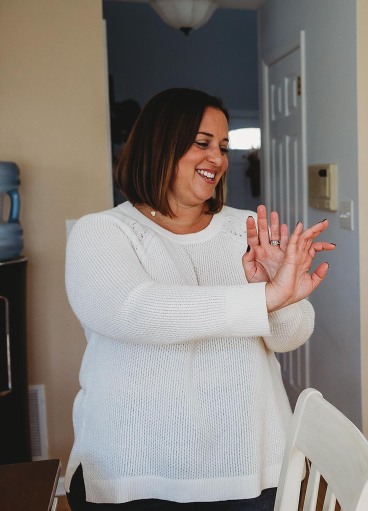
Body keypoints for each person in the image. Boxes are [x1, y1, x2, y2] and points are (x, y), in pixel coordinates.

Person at [64, 88, 335, 510]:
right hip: (136, 469)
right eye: (202, 143)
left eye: (224, 147)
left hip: (250, 463)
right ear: (160, 144)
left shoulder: (248, 227)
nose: (219, 159)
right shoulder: (101, 231)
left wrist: (280, 298)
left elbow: (291, 336)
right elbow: (134, 311)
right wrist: (263, 298)